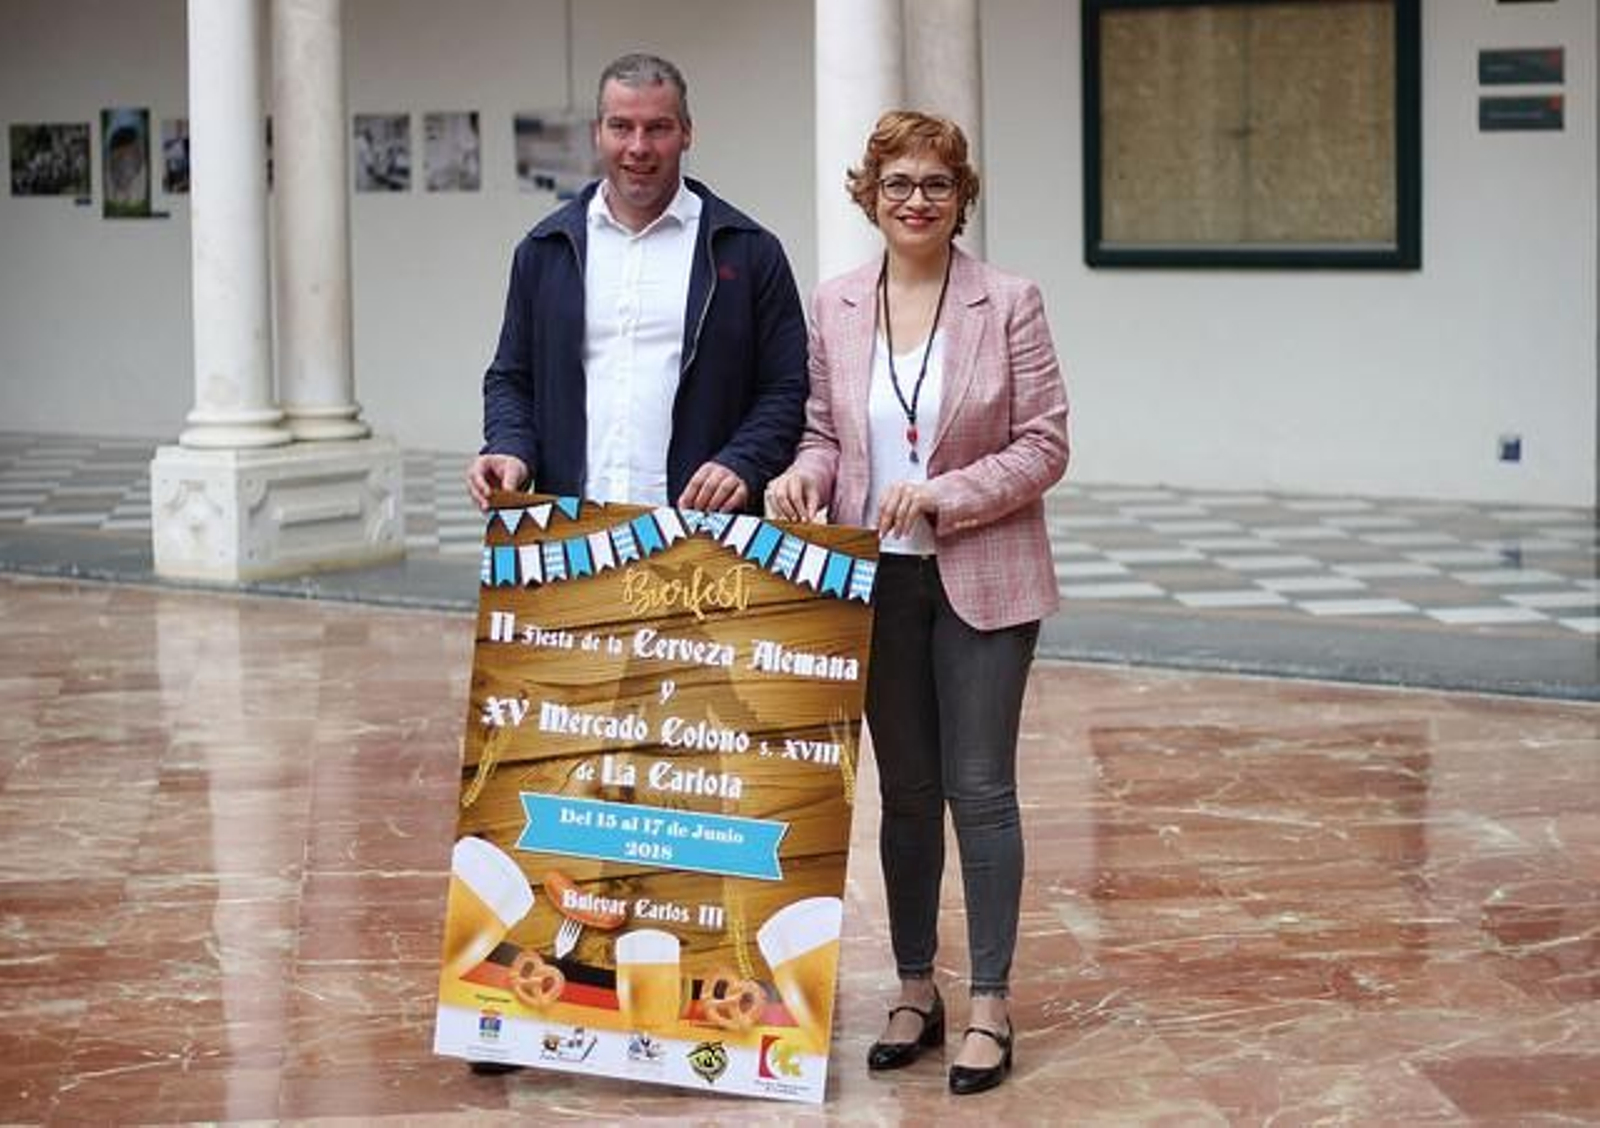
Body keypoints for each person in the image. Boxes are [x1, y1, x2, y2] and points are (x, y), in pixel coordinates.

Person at [767, 110, 1068, 1095]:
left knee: (978, 789)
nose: (916, 201)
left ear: (960, 195)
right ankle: (912, 990)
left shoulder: (1008, 301)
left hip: (982, 576)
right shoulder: (836, 304)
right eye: (897, 182)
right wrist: (801, 480)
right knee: (902, 795)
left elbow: (1045, 443)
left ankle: (989, 1002)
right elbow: (822, 431)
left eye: (936, 184)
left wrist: (947, 494)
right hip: (873, 577)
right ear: (870, 193)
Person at [467, 52, 807, 515]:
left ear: (687, 132)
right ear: (597, 133)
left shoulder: (748, 252)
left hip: (702, 535)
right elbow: (511, 378)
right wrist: (510, 447)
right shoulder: (545, 250)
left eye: (658, 128)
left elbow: (785, 388)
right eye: (621, 127)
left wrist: (742, 463)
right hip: (573, 532)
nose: (638, 146)